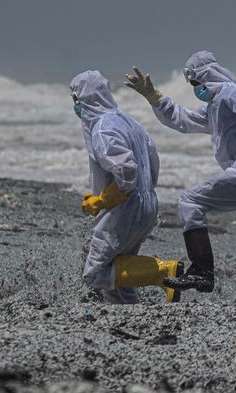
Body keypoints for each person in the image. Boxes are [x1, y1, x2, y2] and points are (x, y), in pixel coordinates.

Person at [125, 51, 236, 293]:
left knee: (190, 201)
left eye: (194, 83)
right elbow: (184, 119)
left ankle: (202, 271)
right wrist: (154, 97)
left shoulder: (231, 94)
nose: (194, 89)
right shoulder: (215, 106)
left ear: (205, 77)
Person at [71, 70, 182, 304]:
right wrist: (108, 194)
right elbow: (152, 164)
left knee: (97, 273)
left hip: (124, 210)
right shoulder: (131, 123)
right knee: (118, 276)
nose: (75, 107)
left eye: (75, 100)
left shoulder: (102, 128)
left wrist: (103, 200)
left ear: (84, 99)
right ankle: (129, 311)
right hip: (146, 204)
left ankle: (165, 272)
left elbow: (126, 172)